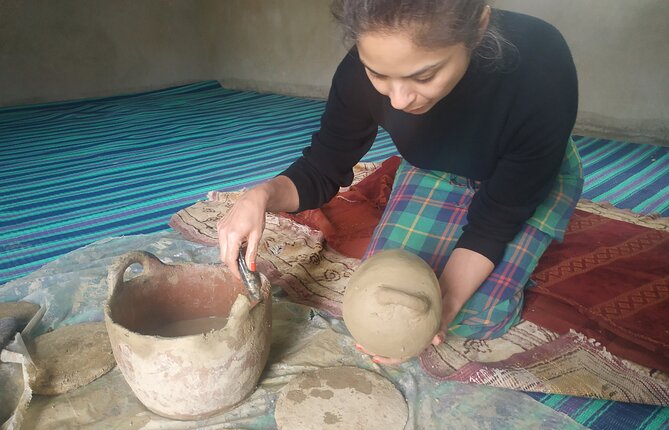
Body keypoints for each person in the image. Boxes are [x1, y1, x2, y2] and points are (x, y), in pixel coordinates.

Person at [217, 0, 582, 363]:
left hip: (520, 180)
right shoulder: (356, 74)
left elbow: (496, 220)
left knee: (470, 315)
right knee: (380, 296)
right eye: (378, 75)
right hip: (434, 167)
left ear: (479, 27)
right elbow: (324, 165)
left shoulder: (540, 67)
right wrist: (260, 196)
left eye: (424, 76)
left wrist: (446, 304)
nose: (399, 99)